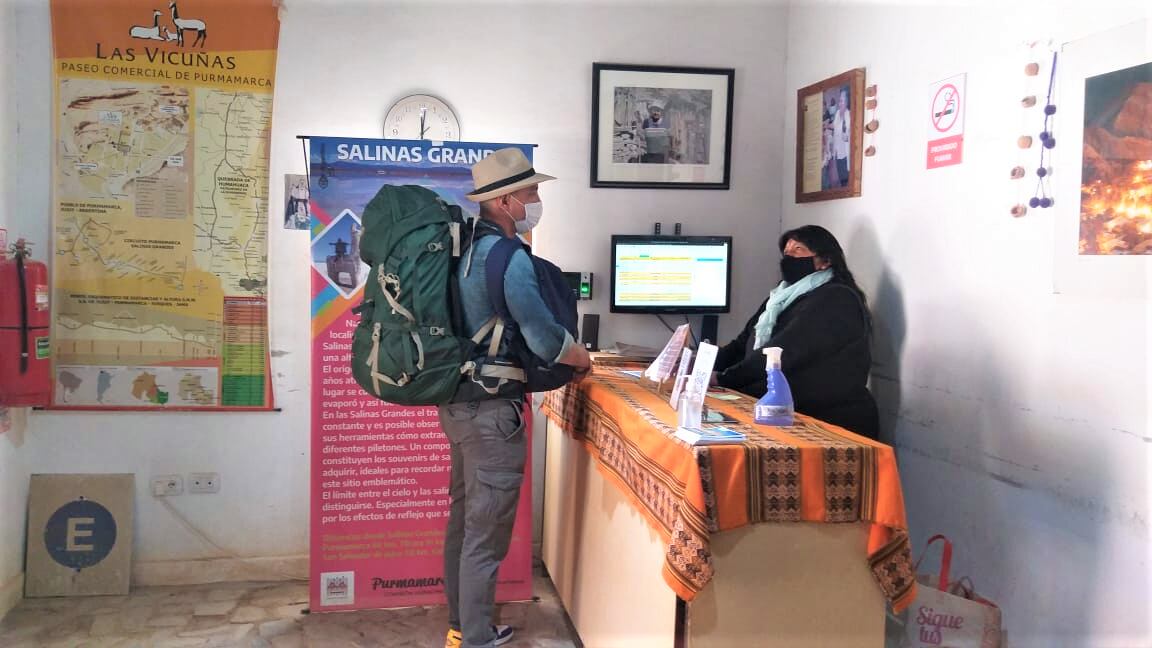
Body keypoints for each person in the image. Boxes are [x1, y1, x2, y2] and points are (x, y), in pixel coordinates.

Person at [440, 148, 592, 648]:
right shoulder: (508, 257)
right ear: (505, 201)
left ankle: (463, 624)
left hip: (457, 403)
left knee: (464, 522)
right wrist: (583, 359)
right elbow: (545, 337)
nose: (536, 200)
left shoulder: (460, 250)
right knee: (486, 534)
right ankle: (478, 638)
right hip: (492, 412)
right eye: (531, 193)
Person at [711, 225, 879, 439]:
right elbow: (742, 344)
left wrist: (724, 379)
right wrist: (700, 365)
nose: (789, 256)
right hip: (785, 412)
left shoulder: (836, 298)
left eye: (798, 250)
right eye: (786, 251)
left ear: (825, 261)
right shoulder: (780, 297)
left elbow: (782, 352)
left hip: (827, 420)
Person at [833, 89, 851, 187]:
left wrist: (846, 135)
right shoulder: (837, 114)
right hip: (838, 153)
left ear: (847, 102)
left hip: (845, 154)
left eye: (842, 101)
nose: (840, 103)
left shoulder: (849, 115)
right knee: (841, 179)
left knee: (845, 180)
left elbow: (847, 136)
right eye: (839, 100)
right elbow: (835, 127)